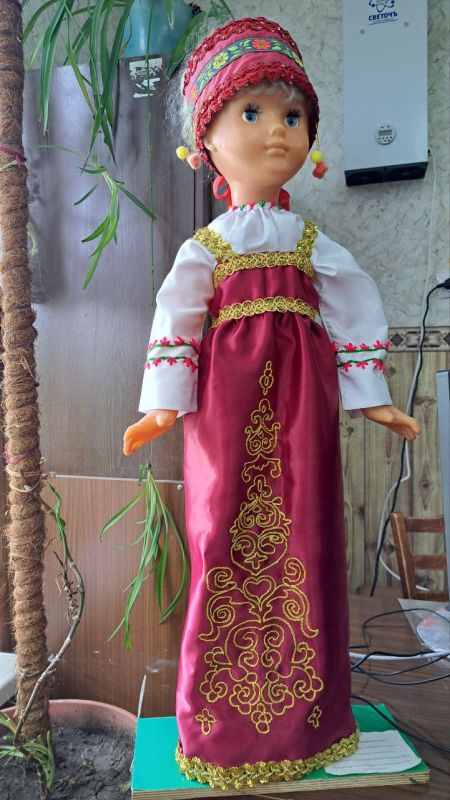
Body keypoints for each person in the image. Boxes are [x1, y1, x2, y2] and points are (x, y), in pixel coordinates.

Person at [123, 17, 420, 790]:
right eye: (252, 113)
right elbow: (175, 324)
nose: (277, 131)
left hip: (303, 408)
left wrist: (373, 400)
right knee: (223, 534)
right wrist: (162, 406)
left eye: (292, 116)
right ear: (206, 141)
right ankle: (222, 726)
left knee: (310, 535)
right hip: (224, 413)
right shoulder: (209, 249)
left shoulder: (310, 245)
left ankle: (311, 720)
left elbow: (354, 309)